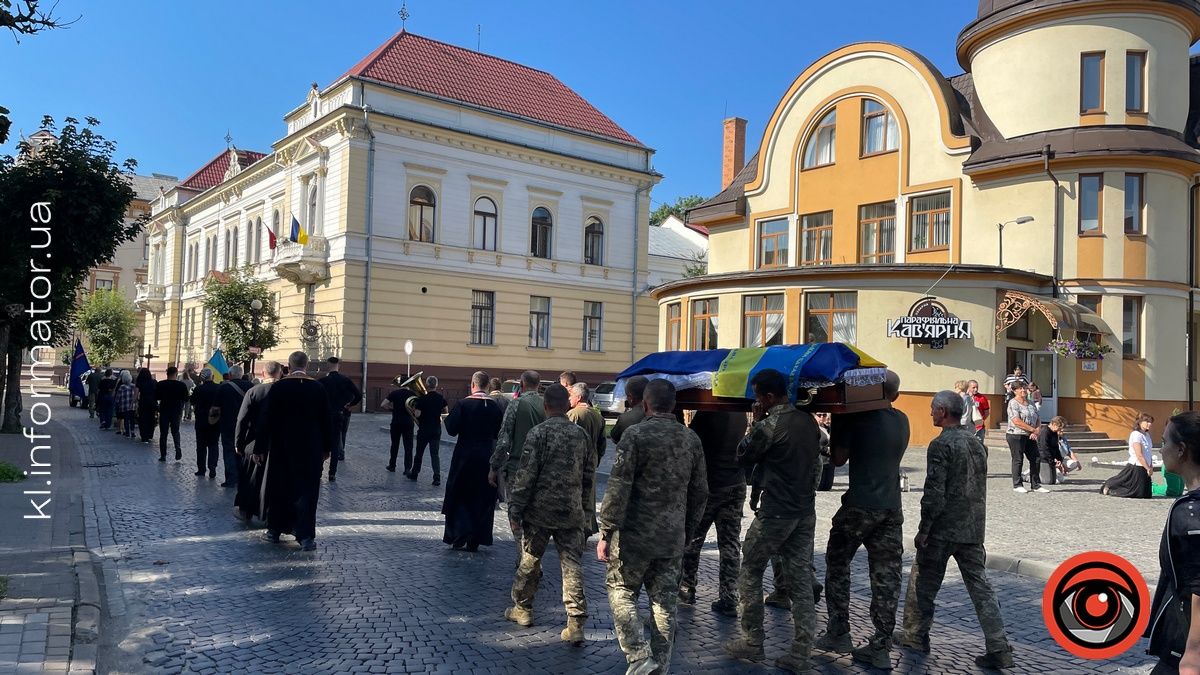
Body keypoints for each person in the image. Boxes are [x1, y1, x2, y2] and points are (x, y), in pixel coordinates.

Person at [597, 379, 707, 675]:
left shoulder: (635, 435)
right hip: (672, 537)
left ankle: (638, 655)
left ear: (644, 404)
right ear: (673, 406)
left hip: (635, 537)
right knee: (664, 603)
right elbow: (700, 492)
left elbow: (618, 488)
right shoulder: (691, 439)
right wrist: (689, 529)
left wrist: (605, 532)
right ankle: (662, 665)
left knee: (620, 590)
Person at [897, 390, 1014, 669]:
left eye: (932, 409)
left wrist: (924, 528)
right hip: (973, 528)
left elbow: (935, 491)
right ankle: (999, 645)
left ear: (942, 411)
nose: (930, 413)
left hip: (943, 529)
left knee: (922, 582)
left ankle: (915, 634)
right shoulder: (976, 443)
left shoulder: (941, 445)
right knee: (981, 588)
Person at [724, 369, 821, 674]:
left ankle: (753, 640)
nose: (757, 401)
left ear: (767, 396)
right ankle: (802, 651)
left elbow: (743, 456)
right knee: (801, 579)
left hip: (776, 512)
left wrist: (753, 423)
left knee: (750, 570)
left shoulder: (770, 424)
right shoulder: (808, 421)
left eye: (758, 396)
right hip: (804, 511)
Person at [814, 371, 909, 668]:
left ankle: (839, 629)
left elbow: (839, 458)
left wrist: (839, 421)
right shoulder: (902, 419)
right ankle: (880, 645)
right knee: (886, 576)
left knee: (838, 563)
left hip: (859, 505)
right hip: (892, 507)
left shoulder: (856, 418)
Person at [505, 384, 594, 645]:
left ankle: (523, 609)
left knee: (530, 561)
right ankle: (576, 623)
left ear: (545, 406)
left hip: (539, 512)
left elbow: (526, 476)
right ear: (567, 405)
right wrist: (586, 510)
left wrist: (515, 508)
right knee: (572, 566)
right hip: (571, 511)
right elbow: (589, 476)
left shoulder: (538, 433)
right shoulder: (581, 435)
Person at [256, 351, 335, 551]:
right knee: (308, 492)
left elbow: (265, 419)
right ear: (306, 365)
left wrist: (260, 447)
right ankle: (306, 536)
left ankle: (274, 530)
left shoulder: (279, 387)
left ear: (289, 367)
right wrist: (328, 447)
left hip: (282, 447)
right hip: (311, 448)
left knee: (279, 487)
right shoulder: (318, 388)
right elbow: (327, 420)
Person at [1146, 411, 1200, 675]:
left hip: (1184, 643)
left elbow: (1198, 587)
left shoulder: (1190, 511)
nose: (1160, 448)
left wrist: (1193, 654)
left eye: (1165, 441)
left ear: (1181, 450)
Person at [681, 410, 749, 617]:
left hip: (710, 485)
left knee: (693, 540)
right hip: (735, 482)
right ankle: (729, 596)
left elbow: (691, 441)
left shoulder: (708, 414)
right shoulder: (740, 414)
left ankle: (686, 589)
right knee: (730, 543)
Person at [442, 371, 504, 552]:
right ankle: (476, 538)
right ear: (487, 386)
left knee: (460, 494)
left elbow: (451, 429)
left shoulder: (463, 404)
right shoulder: (495, 408)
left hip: (464, 456)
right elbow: (498, 433)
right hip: (485, 456)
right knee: (481, 497)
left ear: (472, 384)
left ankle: (458, 536)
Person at [489, 369, 546, 514]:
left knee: (516, 515)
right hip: (543, 469)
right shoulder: (547, 405)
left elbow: (504, 440)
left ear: (522, 383)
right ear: (538, 385)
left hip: (518, 468)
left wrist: (494, 467)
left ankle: (521, 537)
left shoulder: (515, 404)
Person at [234, 361, 281, 522]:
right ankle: (270, 512)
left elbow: (242, 419)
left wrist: (238, 444)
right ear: (279, 373)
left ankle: (246, 510)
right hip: (277, 443)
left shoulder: (254, 391)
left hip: (252, 442)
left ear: (263, 373)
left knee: (249, 478)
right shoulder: (283, 391)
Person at [565, 382, 606, 534]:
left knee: (574, 494)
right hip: (592, 459)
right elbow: (602, 443)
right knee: (589, 496)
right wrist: (597, 459)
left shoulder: (572, 415)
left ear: (579, 397)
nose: (570, 399)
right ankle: (588, 526)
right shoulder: (597, 416)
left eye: (572, 396)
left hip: (575, 460)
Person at [318, 357, 362, 482]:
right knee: (336, 442)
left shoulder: (322, 381)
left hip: (325, 415)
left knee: (323, 442)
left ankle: (320, 470)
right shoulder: (345, 380)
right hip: (339, 414)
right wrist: (349, 405)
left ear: (328, 365)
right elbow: (358, 395)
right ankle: (332, 473)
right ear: (339, 365)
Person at [1102, 412, 1156, 499]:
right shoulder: (1136, 434)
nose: (1149, 424)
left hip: (1146, 465)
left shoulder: (1147, 435)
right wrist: (1147, 468)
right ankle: (1110, 488)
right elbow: (1139, 454)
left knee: (1146, 494)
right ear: (1140, 422)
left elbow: (1148, 452)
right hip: (1137, 465)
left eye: (1150, 422)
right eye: (1147, 421)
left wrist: (1151, 465)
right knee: (1136, 493)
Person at [217, 365, 254, 488]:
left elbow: (216, 408)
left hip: (228, 425)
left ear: (230, 375)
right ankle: (243, 476)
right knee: (243, 450)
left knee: (228, 451)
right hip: (246, 425)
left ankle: (231, 478)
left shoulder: (224, 387)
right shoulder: (250, 386)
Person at [1006, 382, 1044, 493]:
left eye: (1024, 388)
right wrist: (1032, 429)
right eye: (1020, 388)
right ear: (1015, 391)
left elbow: (1037, 418)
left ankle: (1036, 484)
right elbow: (1016, 421)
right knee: (1018, 459)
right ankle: (1017, 484)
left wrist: (1037, 430)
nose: (1023, 390)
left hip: (1030, 435)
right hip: (1016, 434)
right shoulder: (1013, 403)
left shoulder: (1031, 403)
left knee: (1036, 458)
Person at [409, 375, 448, 485]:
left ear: (427, 385)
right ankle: (437, 477)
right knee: (435, 454)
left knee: (419, 453)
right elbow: (445, 411)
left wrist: (413, 410)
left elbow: (417, 414)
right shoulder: (441, 398)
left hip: (424, 429)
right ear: (436, 385)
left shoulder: (422, 399)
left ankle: (414, 474)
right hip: (436, 429)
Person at [189, 369, 221, 479]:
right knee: (213, 445)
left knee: (201, 446)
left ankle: (201, 469)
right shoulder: (218, 388)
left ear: (202, 377)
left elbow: (192, 401)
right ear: (212, 377)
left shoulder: (199, 389)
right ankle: (212, 468)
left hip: (201, 420)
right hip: (215, 421)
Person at [381, 379, 416, 474]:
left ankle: (392, 465)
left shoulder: (394, 393)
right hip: (408, 422)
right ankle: (407, 468)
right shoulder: (413, 394)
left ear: (400, 384)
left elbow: (383, 404)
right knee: (408, 446)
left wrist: (392, 409)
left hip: (396, 422)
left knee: (394, 445)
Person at [154, 366, 189, 462]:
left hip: (164, 410)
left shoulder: (161, 384)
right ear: (176, 374)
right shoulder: (181, 385)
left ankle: (163, 455)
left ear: (167, 374)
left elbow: (156, 396)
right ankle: (177, 448)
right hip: (176, 411)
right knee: (175, 431)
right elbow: (186, 399)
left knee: (163, 433)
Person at [609, 375, 649, 446]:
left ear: (630, 398)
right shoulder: (658, 413)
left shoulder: (625, 418)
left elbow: (615, 438)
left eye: (627, 396)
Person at [1036, 416, 1068, 486]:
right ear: (1053, 424)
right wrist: (1051, 461)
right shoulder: (1045, 431)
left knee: (1053, 481)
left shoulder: (1054, 433)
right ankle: (1028, 477)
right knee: (1047, 481)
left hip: (1051, 459)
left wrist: (1059, 459)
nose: (1059, 430)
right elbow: (1044, 448)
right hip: (1043, 459)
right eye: (1059, 428)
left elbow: (1056, 447)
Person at [135, 368, 157, 443]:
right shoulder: (154, 382)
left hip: (143, 401)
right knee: (151, 418)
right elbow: (157, 392)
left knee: (143, 418)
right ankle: (150, 434)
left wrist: (134, 401)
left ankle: (144, 436)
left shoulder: (140, 382)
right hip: (152, 402)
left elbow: (136, 393)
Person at [115, 371, 137, 438]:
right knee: (132, 419)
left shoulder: (122, 387)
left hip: (124, 406)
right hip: (132, 406)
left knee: (126, 419)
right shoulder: (134, 386)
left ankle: (127, 432)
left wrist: (117, 403)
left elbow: (118, 397)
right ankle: (132, 432)